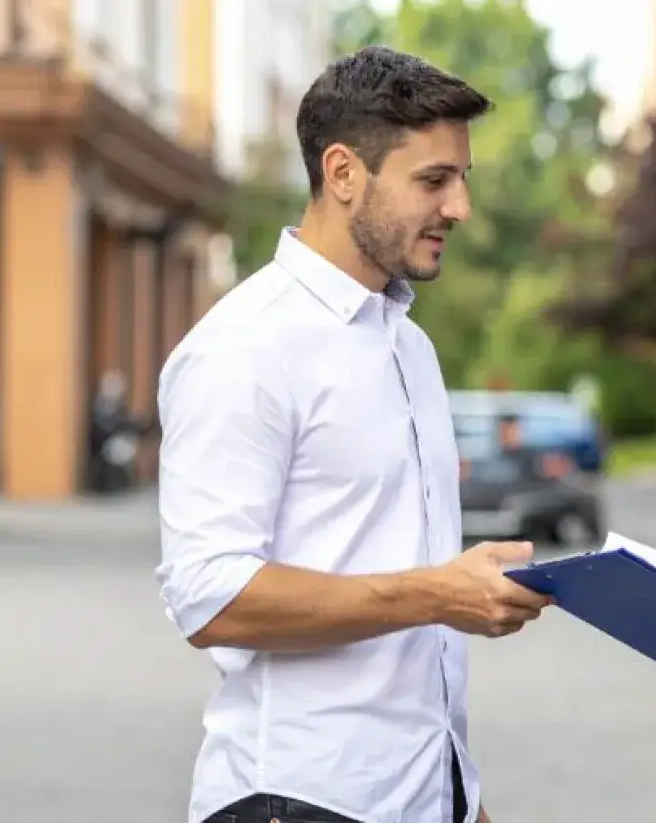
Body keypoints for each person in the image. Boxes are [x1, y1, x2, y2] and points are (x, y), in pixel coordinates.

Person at [155, 46, 552, 823]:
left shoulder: (410, 346)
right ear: (343, 174)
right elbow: (211, 597)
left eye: (462, 180)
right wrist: (435, 592)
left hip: (425, 795)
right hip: (299, 799)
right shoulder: (245, 346)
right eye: (433, 180)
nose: (459, 208)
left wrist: (460, 794)